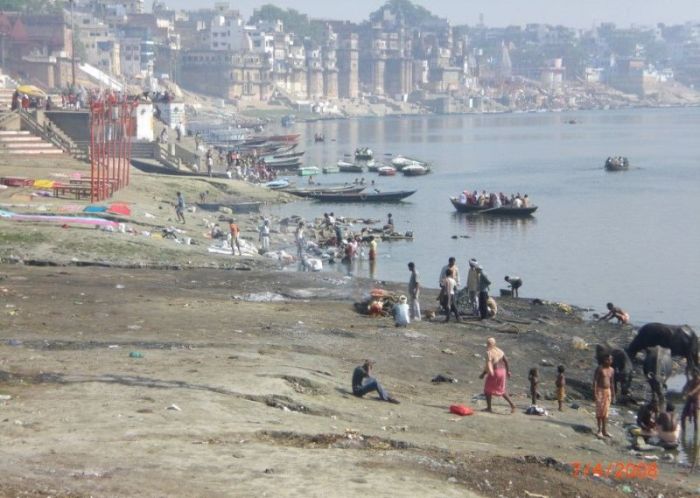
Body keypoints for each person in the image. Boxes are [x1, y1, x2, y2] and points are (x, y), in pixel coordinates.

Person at [479, 338, 516, 413]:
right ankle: (512, 404)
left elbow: (488, 366)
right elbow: (506, 361)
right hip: (502, 371)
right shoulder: (500, 351)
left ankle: (489, 408)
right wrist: (508, 371)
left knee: (487, 390)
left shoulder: (489, 352)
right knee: (501, 390)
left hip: (495, 372)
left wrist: (483, 374)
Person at [593, 354, 616, 438]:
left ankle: (605, 430)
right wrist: (595, 392)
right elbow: (595, 380)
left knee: (606, 412)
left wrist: (614, 395)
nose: (608, 361)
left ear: (612, 361)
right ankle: (599, 430)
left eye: (610, 360)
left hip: (608, 391)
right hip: (600, 390)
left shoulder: (612, 370)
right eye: (607, 360)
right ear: (604, 360)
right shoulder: (600, 368)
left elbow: (612, 383)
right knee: (599, 411)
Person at [681, 367, 700, 434]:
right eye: (692, 372)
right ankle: (683, 432)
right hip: (689, 401)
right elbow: (684, 387)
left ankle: (696, 435)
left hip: (696, 401)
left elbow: (697, 389)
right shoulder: (691, 381)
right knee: (683, 417)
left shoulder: (699, 381)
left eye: (694, 372)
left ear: (697, 373)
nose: (692, 374)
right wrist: (683, 391)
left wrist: (690, 393)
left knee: (695, 420)